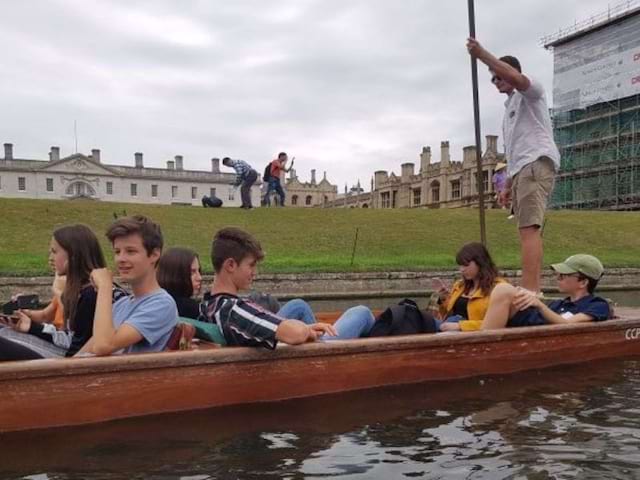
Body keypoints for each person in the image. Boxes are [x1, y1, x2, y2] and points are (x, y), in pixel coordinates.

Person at [467, 38, 560, 294]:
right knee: (525, 229)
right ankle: (530, 288)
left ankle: (531, 291)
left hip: (536, 163)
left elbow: (517, 79)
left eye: (498, 75)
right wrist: (506, 185)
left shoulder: (531, 92)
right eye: (493, 79)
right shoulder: (509, 110)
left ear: (512, 71)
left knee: (530, 228)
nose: (496, 81)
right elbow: (514, 153)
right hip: (522, 169)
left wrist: (482, 54)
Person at [199, 227, 342, 348]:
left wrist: (305, 328)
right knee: (361, 314)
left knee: (298, 306)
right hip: (301, 368)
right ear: (230, 265)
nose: (255, 272)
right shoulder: (233, 310)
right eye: (251, 265)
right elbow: (295, 334)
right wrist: (307, 331)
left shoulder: (207, 305)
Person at [0, 225, 125, 361]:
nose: (50, 258)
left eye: (54, 251)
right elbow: (70, 338)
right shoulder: (81, 289)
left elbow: (76, 352)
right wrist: (31, 327)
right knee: (3, 330)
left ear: (73, 255)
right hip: (67, 353)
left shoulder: (91, 294)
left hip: (69, 363)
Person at [82, 215, 177, 356]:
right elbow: (82, 355)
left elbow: (103, 346)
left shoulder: (161, 304)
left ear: (154, 254)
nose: (121, 259)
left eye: (130, 251)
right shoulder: (121, 305)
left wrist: (105, 287)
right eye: (117, 252)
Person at [481, 254, 610, 330]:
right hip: (528, 326)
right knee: (505, 290)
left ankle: (480, 343)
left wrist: (539, 304)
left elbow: (567, 324)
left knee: (503, 289)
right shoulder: (559, 304)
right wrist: (527, 298)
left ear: (583, 282)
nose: (557, 279)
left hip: (537, 334)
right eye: (558, 275)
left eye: (563, 276)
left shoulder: (597, 305)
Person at [436, 242, 507, 332]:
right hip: (448, 327)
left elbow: (497, 323)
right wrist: (443, 299)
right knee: (416, 315)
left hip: (468, 333)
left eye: (466, 265)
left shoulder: (499, 287)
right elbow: (446, 315)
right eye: (460, 265)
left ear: (480, 262)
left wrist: (460, 326)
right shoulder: (459, 285)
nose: (462, 269)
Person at [157, 247, 203, 319]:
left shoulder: (152, 302)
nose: (199, 278)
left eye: (199, 271)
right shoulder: (189, 309)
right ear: (176, 274)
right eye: (192, 272)